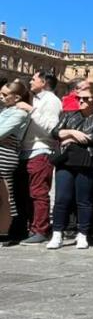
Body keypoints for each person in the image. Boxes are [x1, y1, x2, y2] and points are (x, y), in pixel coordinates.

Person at [46, 87, 93, 250]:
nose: (81, 101)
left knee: (84, 200)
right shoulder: (69, 116)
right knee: (61, 199)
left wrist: (68, 138)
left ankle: (82, 234)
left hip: (87, 161)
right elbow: (55, 132)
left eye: (85, 98)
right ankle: (57, 234)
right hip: (65, 161)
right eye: (79, 98)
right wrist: (73, 133)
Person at [18, 70, 62, 245]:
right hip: (28, 150)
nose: (30, 82)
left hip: (41, 150)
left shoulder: (51, 101)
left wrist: (31, 110)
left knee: (38, 193)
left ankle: (41, 229)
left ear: (43, 82)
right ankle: (31, 226)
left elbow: (51, 127)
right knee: (27, 193)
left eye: (33, 79)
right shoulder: (36, 99)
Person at [0, 80, 30, 244]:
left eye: (5, 94)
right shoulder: (6, 110)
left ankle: (9, 231)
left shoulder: (19, 113)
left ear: (17, 97)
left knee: (6, 195)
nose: (1, 96)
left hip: (5, 156)